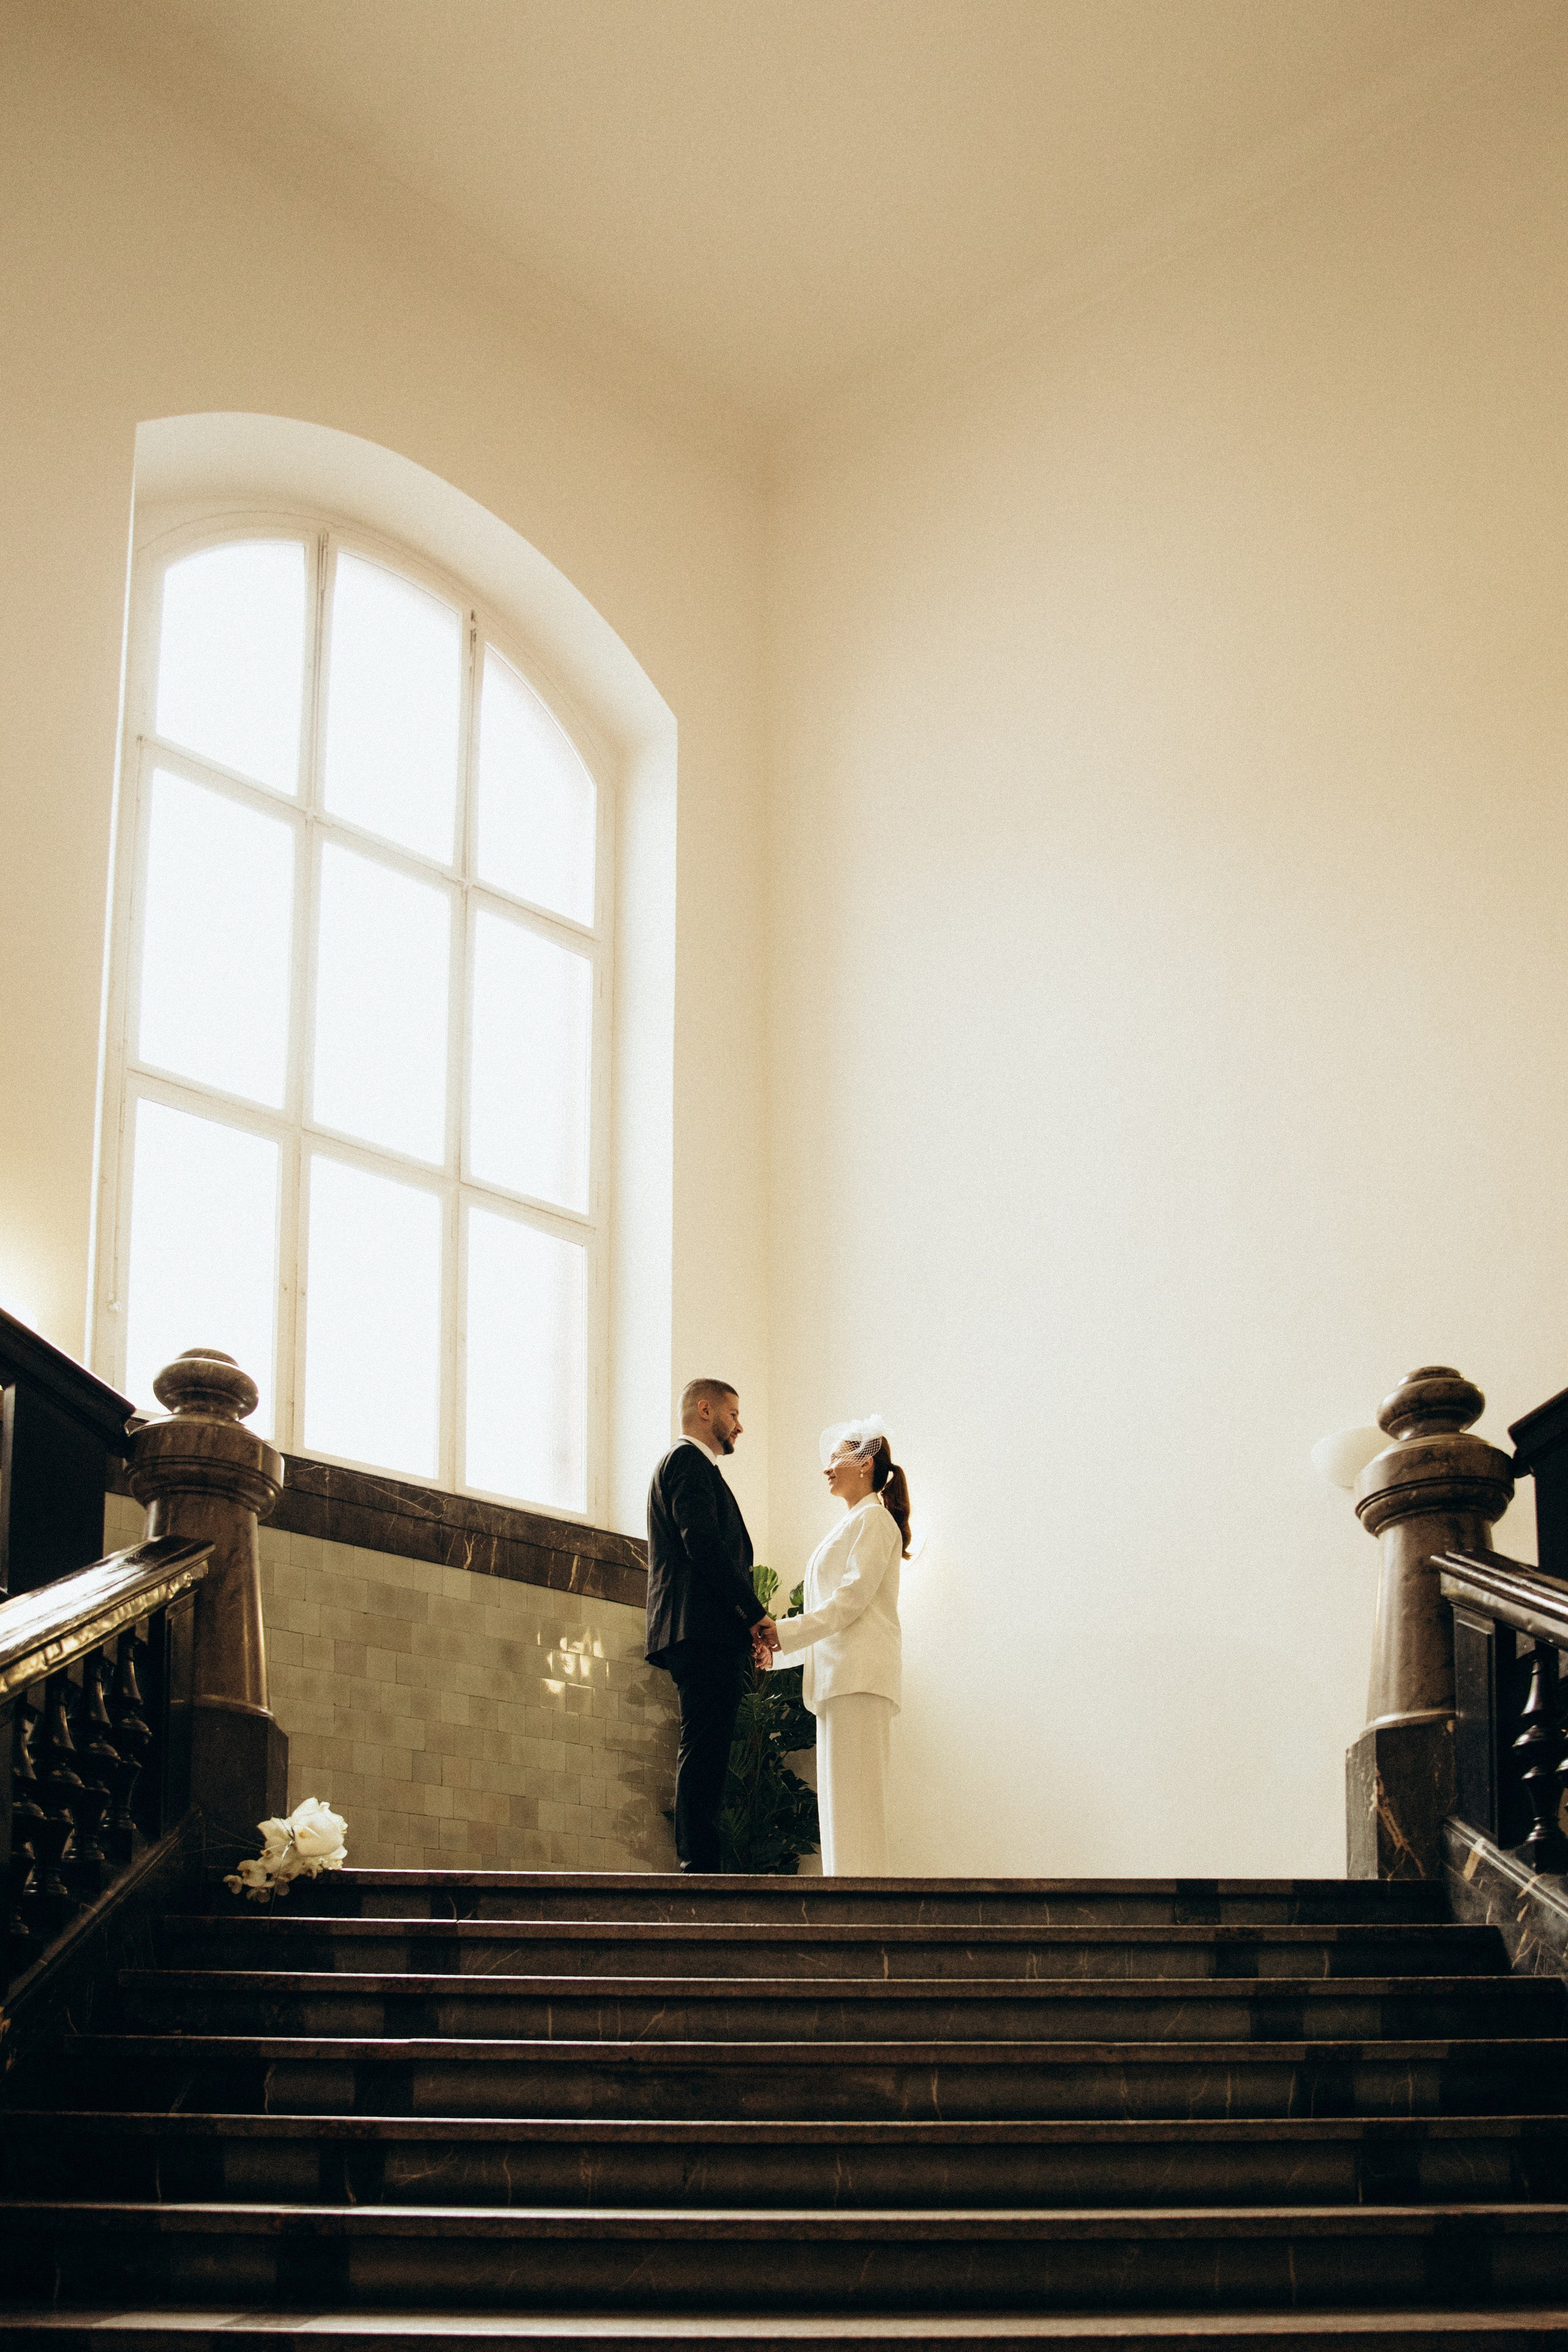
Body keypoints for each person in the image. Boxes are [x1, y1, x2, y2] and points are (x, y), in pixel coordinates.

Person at [645, 1378, 778, 1872]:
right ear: (705, 1410)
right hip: (697, 1631)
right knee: (704, 1748)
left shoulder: (698, 1469)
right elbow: (703, 1546)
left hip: (704, 1631)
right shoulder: (687, 1462)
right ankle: (698, 1867)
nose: (740, 1426)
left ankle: (700, 1863)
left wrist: (745, 1627)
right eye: (734, 1415)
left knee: (709, 1747)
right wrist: (756, 1615)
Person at [769, 1415, 910, 1876]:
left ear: (866, 1463)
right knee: (840, 1812)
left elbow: (849, 1602)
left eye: (836, 1458)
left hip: (859, 1679)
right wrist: (776, 1651)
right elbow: (834, 1610)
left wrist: (781, 1635)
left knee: (857, 1809)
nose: (826, 1468)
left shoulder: (874, 1521)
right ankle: (847, 1915)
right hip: (839, 1682)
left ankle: (863, 1921)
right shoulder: (857, 1522)